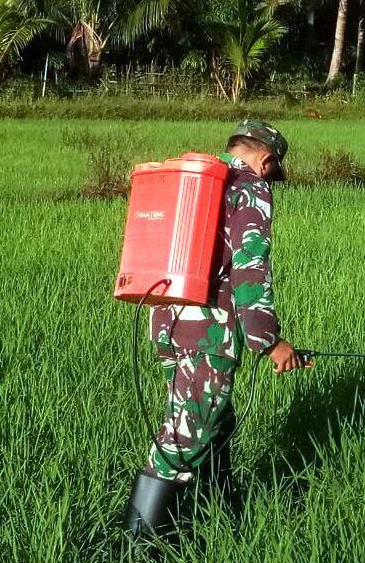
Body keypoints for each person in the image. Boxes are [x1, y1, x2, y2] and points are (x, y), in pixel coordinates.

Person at [124, 119, 307, 539]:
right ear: (265, 160)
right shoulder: (249, 187)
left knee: (214, 422)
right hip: (209, 332)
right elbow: (250, 269)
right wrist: (269, 341)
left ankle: (224, 517)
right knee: (184, 438)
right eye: (274, 171)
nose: (272, 180)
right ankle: (135, 544)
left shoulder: (203, 181)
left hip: (166, 319)